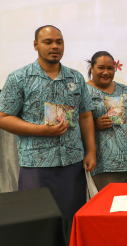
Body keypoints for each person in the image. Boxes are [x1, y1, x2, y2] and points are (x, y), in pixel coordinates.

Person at [0, 25, 96, 219]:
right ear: (35, 45)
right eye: (48, 42)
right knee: (37, 221)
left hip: (72, 163)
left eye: (59, 42)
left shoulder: (75, 77)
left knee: (71, 219)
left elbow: (85, 115)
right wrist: (40, 130)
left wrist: (91, 151)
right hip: (36, 164)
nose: (55, 46)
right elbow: (3, 118)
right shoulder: (19, 78)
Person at [85, 51, 127, 190]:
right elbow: (76, 122)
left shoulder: (124, 89)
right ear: (92, 68)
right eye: (101, 68)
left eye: (110, 68)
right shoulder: (84, 90)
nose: (106, 72)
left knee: (125, 204)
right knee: (107, 204)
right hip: (103, 161)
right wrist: (95, 125)